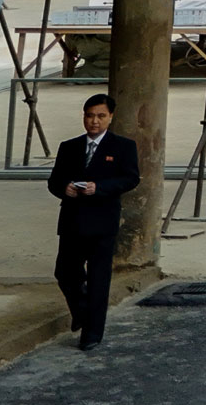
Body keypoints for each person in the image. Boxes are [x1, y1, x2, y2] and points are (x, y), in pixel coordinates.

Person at [46, 93, 139, 352]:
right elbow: (53, 181)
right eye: (89, 116)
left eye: (100, 116)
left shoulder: (123, 147)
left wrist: (99, 187)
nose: (94, 122)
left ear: (111, 117)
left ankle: (92, 333)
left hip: (102, 220)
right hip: (73, 220)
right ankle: (83, 311)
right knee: (65, 272)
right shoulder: (69, 146)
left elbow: (131, 179)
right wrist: (65, 188)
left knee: (99, 277)